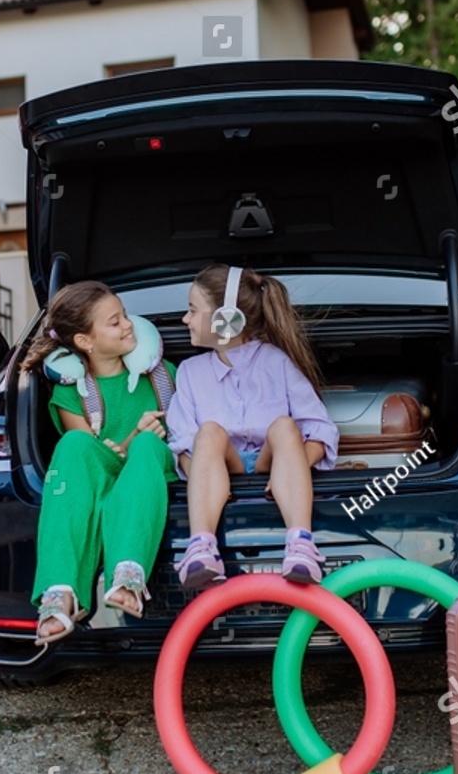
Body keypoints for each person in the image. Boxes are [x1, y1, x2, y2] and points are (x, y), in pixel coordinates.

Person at [22, 282, 177, 645]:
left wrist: (139, 441)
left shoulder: (164, 375)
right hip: (105, 472)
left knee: (148, 447)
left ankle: (128, 576)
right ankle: (60, 592)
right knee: (74, 442)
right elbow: (92, 461)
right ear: (84, 342)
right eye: (114, 322)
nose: (128, 325)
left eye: (124, 315)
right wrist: (131, 437)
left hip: (150, 470)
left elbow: (181, 440)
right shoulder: (71, 393)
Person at [167, 265, 339, 586]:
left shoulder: (277, 362)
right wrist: (208, 480)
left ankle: (301, 544)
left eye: (192, 310)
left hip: (270, 462)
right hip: (222, 465)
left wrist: (293, 467)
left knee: (286, 426)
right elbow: (182, 446)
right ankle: (202, 547)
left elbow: (320, 431)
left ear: (226, 319)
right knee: (208, 433)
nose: (185, 319)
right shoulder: (189, 372)